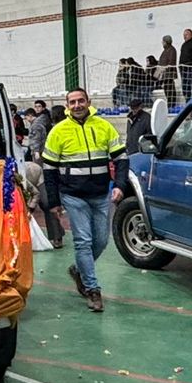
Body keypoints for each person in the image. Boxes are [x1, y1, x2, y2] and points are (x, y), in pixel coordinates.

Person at [43, 88, 128, 312]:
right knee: (83, 241)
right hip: (73, 196)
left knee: (101, 241)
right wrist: (54, 202)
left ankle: (79, 272)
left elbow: (121, 158)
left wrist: (120, 185)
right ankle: (92, 289)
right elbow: (49, 170)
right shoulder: (58, 131)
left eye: (81, 100)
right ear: (67, 105)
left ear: (88, 102)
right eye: (73, 102)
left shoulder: (104, 126)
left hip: (101, 195)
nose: (77, 105)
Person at [157, 35, 180, 105]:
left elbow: (171, 62)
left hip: (169, 74)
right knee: (166, 89)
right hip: (164, 74)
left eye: (163, 41)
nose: (162, 43)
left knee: (170, 89)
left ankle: (171, 103)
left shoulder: (172, 50)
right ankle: (169, 103)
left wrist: (165, 69)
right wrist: (157, 74)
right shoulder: (165, 50)